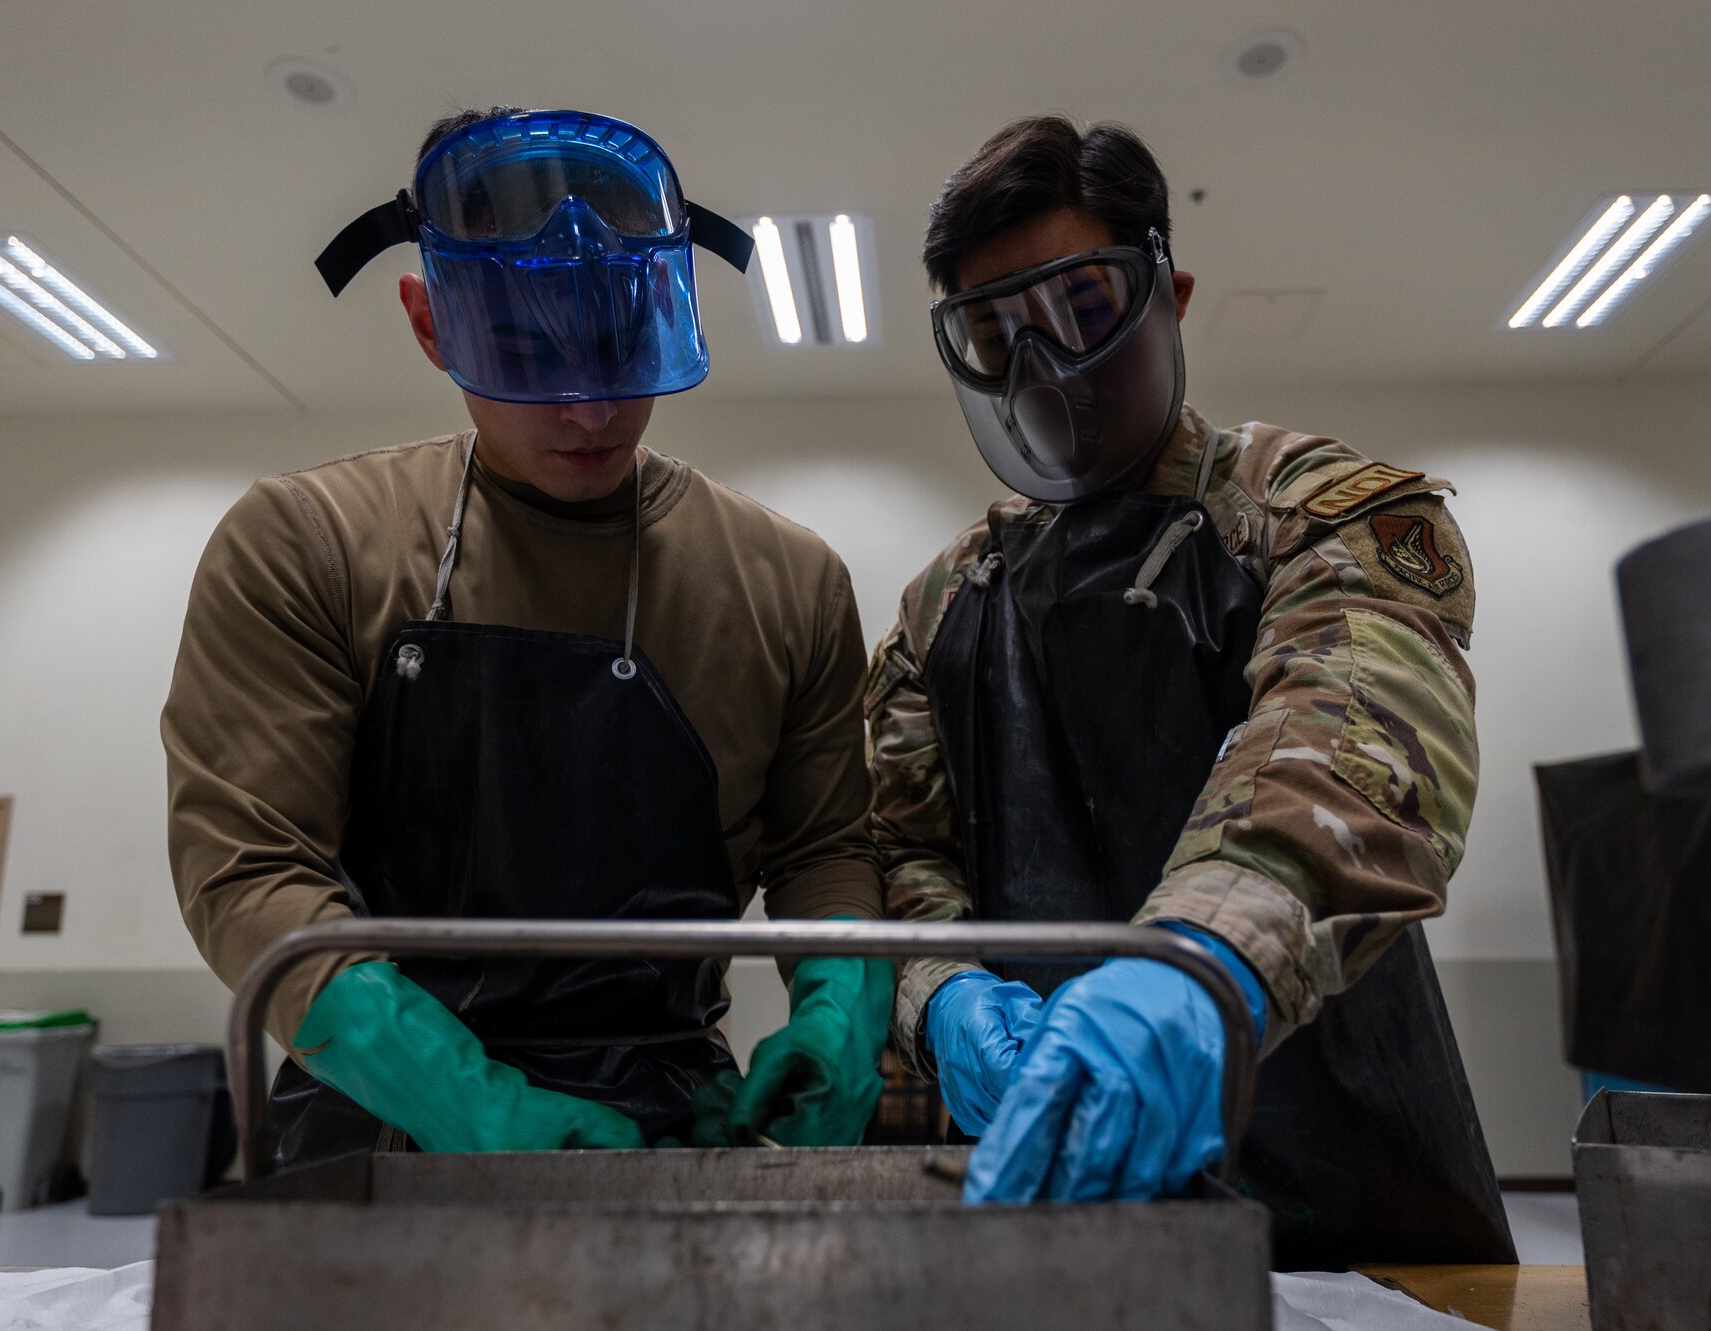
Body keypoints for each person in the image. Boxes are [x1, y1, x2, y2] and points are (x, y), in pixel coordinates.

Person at [163, 107, 891, 1169]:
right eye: (523, 351)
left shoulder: (787, 579)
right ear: (429, 321)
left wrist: (840, 1006)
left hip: (677, 1125)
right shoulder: (307, 543)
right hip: (377, 1124)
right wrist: (456, 1095)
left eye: (619, 344)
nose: (590, 407)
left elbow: (822, 847)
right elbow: (248, 871)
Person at [868, 115, 1515, 1265]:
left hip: (1352, 1206)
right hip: (1061, 1185)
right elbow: (902, 857)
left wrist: (1200, 972)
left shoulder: (1318, 511)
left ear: (1170, 291)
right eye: (993, 332)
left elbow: (1349, 740)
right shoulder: (938, 612)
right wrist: (942, 989)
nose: (1043, 366)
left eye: (1081, 307)